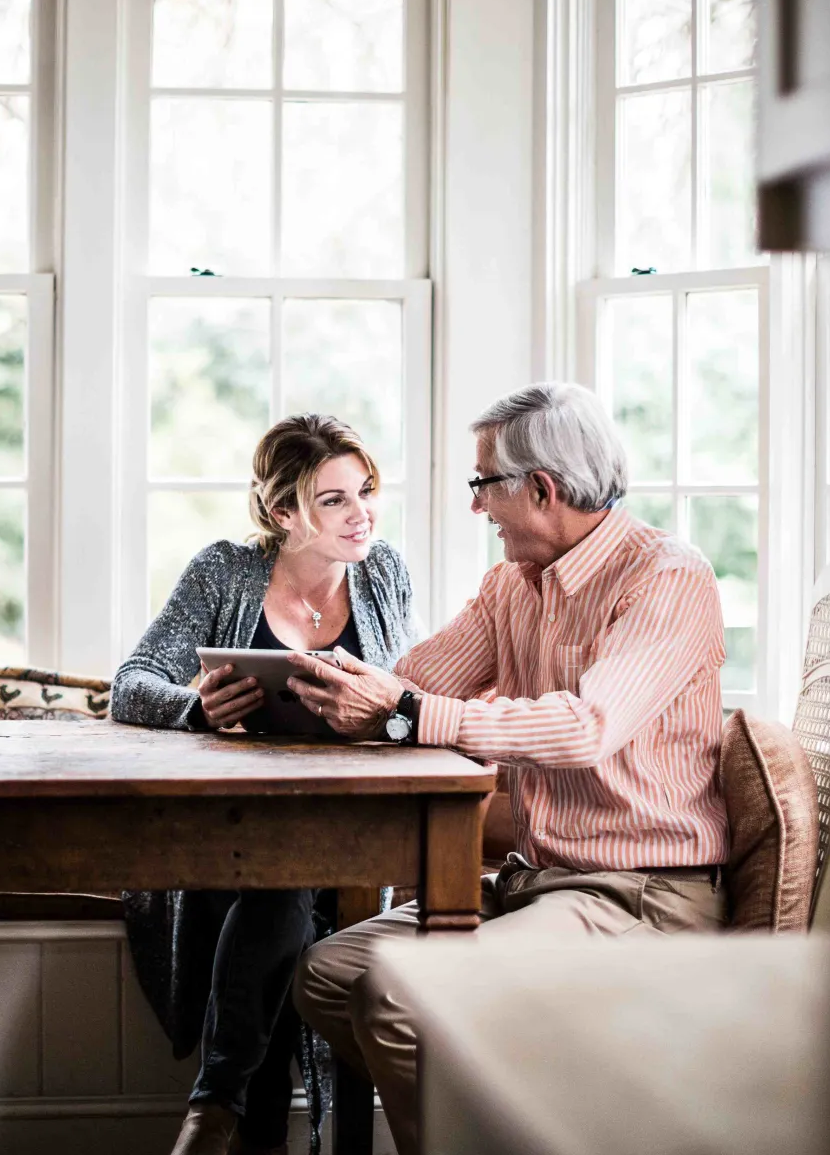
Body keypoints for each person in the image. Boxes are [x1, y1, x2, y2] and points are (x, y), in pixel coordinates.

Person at [284, 382, 729, 1155]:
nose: (476, 506)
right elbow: (413, 681)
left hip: (643, 894)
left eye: (483, 484)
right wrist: (300, 695)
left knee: (398, 997)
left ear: (542, 489)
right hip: (536, 880)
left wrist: (406, 710)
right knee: (327, 974)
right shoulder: (510, 587)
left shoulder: (667, 578)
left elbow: (584, 726)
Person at [110, 414, 417, 1155]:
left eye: (365, 491)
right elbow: (129, 685)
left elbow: (405, 695)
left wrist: (390, 718)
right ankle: (239, 1122)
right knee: (279, 889)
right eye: (335, 499)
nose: (362, 513)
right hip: (230, 836)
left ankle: (216, 1112)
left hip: (347, 832)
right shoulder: (225, 570)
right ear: (284, 512)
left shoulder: (385, 575)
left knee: (286, 890)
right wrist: (196, 708)